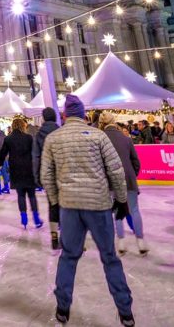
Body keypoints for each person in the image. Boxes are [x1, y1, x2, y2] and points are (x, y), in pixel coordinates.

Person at [40, 95, 133, 326]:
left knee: (68, 256)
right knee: (110, 258)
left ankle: (62, 308)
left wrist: (55, 201)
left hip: (69, 206)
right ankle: (126, 311)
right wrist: (122, 200)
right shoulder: (98, 135)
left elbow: (46, 176)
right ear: (84, 115)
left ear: (64, 115)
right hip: (98, 205)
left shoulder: (53, 138)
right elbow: (116, 170)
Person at [98, 112, 148, 256]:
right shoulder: (126, 139)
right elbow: (136, 162)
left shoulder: (100, 139)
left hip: (112, 181)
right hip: (129, 179)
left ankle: (121, 242)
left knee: (117, 211)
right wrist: (131, 175)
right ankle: (140, 242)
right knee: (134, 210)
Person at [0, 116, 41, 229]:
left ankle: (24, 217)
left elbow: (2, 153)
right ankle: (36, 218)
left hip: (16, 170)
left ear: (13, 127)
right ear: (23, 125)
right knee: (32, 195)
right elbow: (35, 152)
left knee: (21, 195)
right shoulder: (29, 138)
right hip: (28, 169)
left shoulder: (8, 139)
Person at [33, 107, 61, 250]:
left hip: (48, 174)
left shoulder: (39, 135)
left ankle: (54, 236)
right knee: (64, 205)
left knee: (52, 205)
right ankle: (66, 237)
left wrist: (37, 177)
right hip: (63, 173)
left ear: (43, 118)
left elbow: (36, 157)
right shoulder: (60, 131)